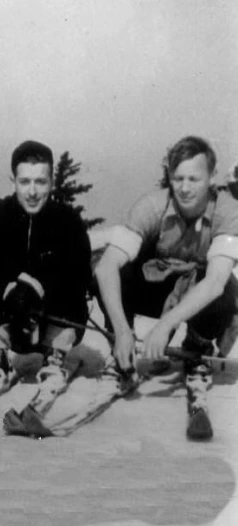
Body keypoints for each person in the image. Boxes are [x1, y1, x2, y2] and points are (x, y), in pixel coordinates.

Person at [95, 136, 238, 403]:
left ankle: (197, 348)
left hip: (198, 294)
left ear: (211, 177)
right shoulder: (152, 205)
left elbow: (216, 282)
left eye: (193, 179)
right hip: (158, 288)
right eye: (178, 178)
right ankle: (121, 354)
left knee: (227, 290)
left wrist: (165, 327)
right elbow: (106, 268)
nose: (184, 188)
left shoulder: (228, 211)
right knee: (107, 268)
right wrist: (122, 329)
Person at [0, 140, 92, 406]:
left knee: (74, 299)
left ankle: (54, 356)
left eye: (40, 182)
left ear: (51, 182)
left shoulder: (67, 220)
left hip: (50, 317)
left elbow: (79, 274)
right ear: (13, 181)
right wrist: (9, 288)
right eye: (24, 182)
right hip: (8, 318)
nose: (32, 192)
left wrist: (36, 288)